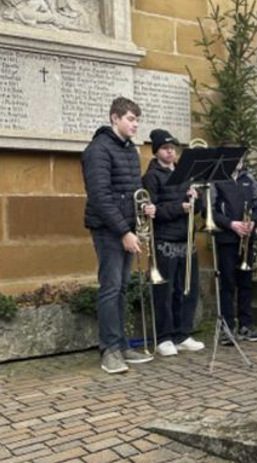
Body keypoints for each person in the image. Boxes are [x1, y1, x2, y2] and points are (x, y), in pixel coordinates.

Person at [82, 96, 156, 374]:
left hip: (127, 227)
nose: (136, 125)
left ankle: (122, 344)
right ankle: (109, 350)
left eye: (137, 119)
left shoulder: (129, 150)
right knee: (111, 287)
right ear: (115, 118)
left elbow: (133, 189)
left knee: (123, 288)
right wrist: (124, 231)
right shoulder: (98, 150)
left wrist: (144, 207)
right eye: (131, 119)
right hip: (108, 229)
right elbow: (100, 197)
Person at [142, 129, 205, 356]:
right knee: (164, 292)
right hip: (165, 240)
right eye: (166, 149)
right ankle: (164, 337)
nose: (171, 152)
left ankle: (182, 333)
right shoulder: (151, 176)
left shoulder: (184, 173)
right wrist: (180, 208)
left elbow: (198, 209)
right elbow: (152, 210)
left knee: (187, 289)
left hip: (186, 239)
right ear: (157, 151)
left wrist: (195, 200)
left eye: (173, 148)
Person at [211, 150, 257, 345]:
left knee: (246, 283)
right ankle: (227, 328)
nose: (238, 162)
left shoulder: (248, 179)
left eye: (240, 158)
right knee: (227, 284)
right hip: (226, 238)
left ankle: (246, 325)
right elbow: (211, 211)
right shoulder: (216, 180)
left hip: (247, 238)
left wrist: (253, 223)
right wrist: (231, 224)